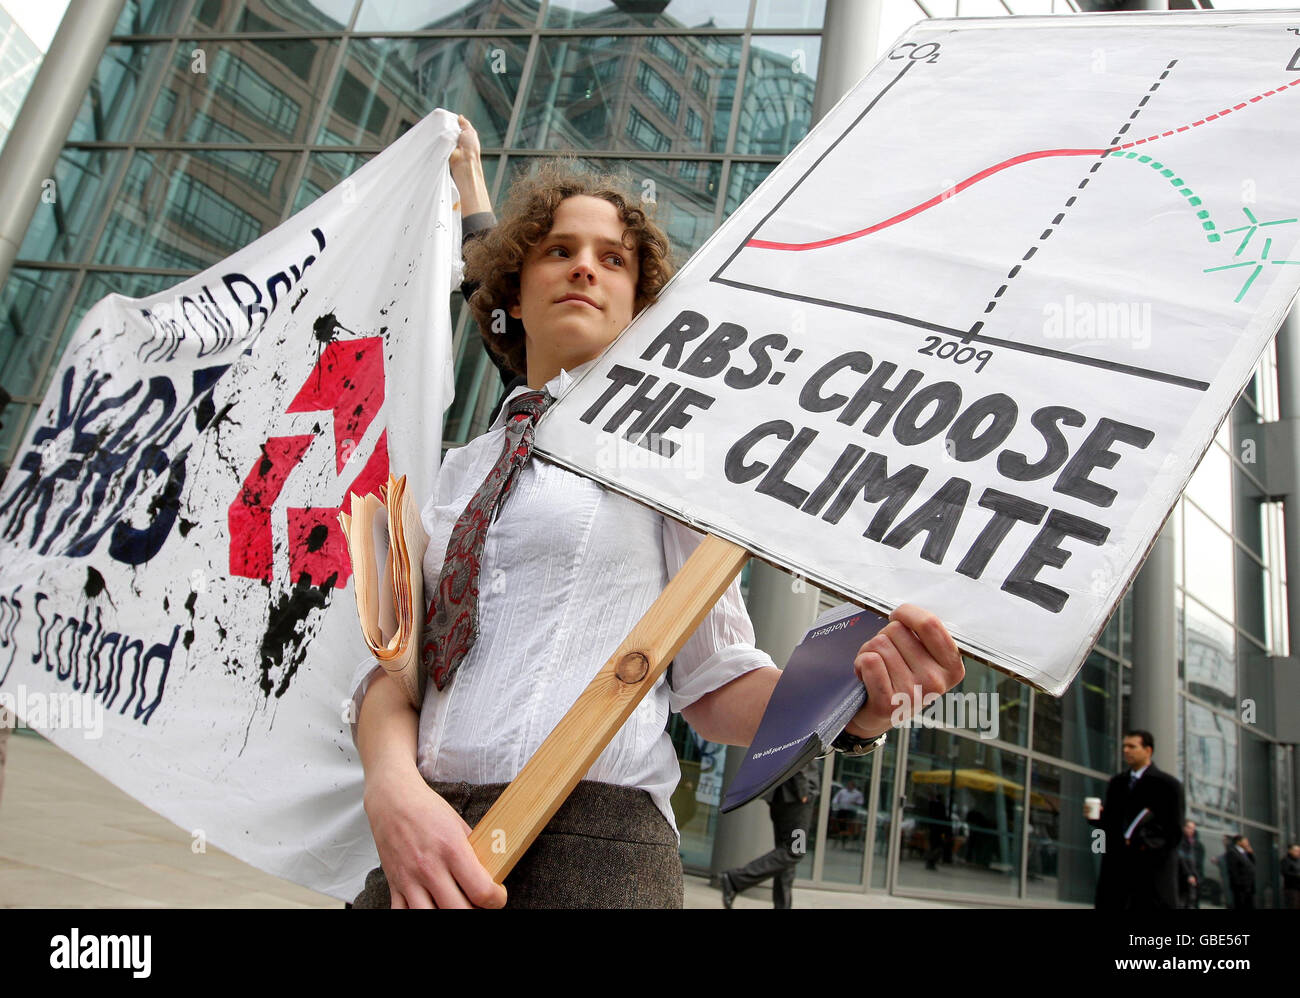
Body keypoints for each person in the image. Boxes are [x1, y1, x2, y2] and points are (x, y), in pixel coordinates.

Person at [348, 115, 967, 909]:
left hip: (597, 854)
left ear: (642, 311)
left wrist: (853, 703)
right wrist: (392, 792)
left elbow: (714, 684)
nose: (584, 269)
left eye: (615, 261)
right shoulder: (453, 473)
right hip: (418, 849)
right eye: (558, 250)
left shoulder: (670, 454)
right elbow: (394, 677)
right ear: (510, 290)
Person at [1086, 729, 1184, 909]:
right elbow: (1111, 825)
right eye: (1124, 746)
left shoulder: (1168, 786)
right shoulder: (1117, 783)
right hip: (1116, 872)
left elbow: (1174, 832)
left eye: (1132, 746)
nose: (1126, 750)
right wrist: (1096, 818)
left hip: (1150, 874)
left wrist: (1145, 843)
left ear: (1148, 751)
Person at [719, 757, 823, 908]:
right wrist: (803, 790)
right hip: (797, 799)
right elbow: (800, 749)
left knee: (785, 856)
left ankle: (782, 906)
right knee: (794, 851)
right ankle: (735, 879)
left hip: (784, 795)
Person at [1177, 818, 1205, 908]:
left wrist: (1196, 876)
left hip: (1192, 877)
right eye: (1189, 827)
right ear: (1184, 828)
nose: (1191, 830)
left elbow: (1195, 862)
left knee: (1191, 901)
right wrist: (1188, 874)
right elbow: (1182, 859)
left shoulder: (1194, 843)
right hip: (1182, 877)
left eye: (1193, 828)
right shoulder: (1181, 841)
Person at [1225, 834, 1256, 910]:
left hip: (1249, 886)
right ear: (1239, 842)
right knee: (1240, 905)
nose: (1247, 843)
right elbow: (1233, 870)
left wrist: (1251, 854)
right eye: (1245, 841)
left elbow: (1252, 865)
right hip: (1240, 887)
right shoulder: (1233, 852)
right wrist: (1239, 883)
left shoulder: (1245, 853)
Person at [1281, 842, 1300, 910]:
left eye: (1299, 851)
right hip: (1291, 889)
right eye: (1296, 851)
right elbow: (1284, 872)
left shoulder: (1298, 860)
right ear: (1290, 851)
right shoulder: (1286, 860)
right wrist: (1297, 875)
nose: (1298, 853)